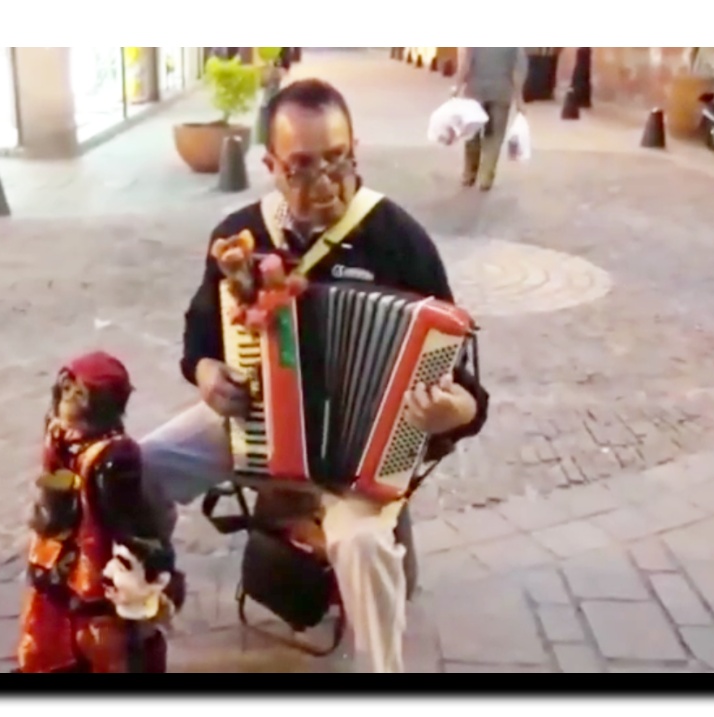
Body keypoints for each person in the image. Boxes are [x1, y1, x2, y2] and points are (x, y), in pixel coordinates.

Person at [139, 78, 491, 673]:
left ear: (356, 146)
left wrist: (453, 412)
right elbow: (200, 336)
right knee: (137, 468)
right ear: (271, 165)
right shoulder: (238, 236)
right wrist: (205, 373)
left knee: (360, 540)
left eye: (338, 160)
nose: (323, 183)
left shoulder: (396, 238)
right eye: (301, 168)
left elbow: (465, 386)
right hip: (254, 422)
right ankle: (141, 598)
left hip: (360, 457)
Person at [15, 351, 183, 673]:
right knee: (55, 630)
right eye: (66, 389)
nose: (67, 399)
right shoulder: (60, 431)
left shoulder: (114, 458)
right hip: (64, 553)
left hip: (99, 562)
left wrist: (150, 562)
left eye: (78, 393)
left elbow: (130, 520)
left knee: (109, 641)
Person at [456, 47, 528, 190]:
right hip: (501, 92)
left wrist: (457, 87)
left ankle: (468, 174)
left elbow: (466, 63)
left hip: (475, 91)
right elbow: (518, 72)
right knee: (495, 136)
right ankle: (486, 178)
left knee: (472, 133)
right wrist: (519, 99)